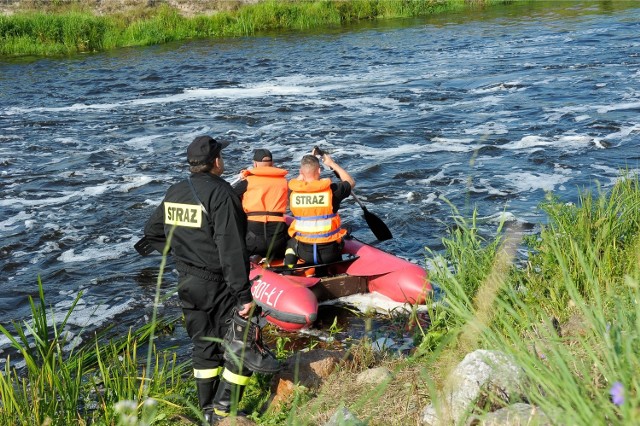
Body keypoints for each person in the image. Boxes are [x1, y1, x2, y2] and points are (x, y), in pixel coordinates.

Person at [141, 135, 279, 424]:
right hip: (218, 284)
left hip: (187, 282)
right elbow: (232, 250)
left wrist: (183, 254)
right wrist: (243, 296)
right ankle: (225, 410)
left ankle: (206, 411)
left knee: (203, 344)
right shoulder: (223, 194)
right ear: (216, 161)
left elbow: (152, 231)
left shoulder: (175, 191)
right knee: (240, 345)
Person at [284, 148, 356, 267]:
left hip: (305, 253)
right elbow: (350, 182)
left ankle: (288, 269)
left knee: (290, 243)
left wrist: (305, 169)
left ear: (301, 172)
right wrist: (331, 163)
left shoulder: (293, 193)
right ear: (319, 170)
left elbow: (296, 184)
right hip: (330, 253)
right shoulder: (332, 191)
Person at [233, 148, 289, 263]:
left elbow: (230, 198)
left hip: (253, 242)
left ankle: (252, 261)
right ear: (272, 164)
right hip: (277, 241)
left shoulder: (247, 182)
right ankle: (286, 265)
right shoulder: (284, 182)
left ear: (254, 164)